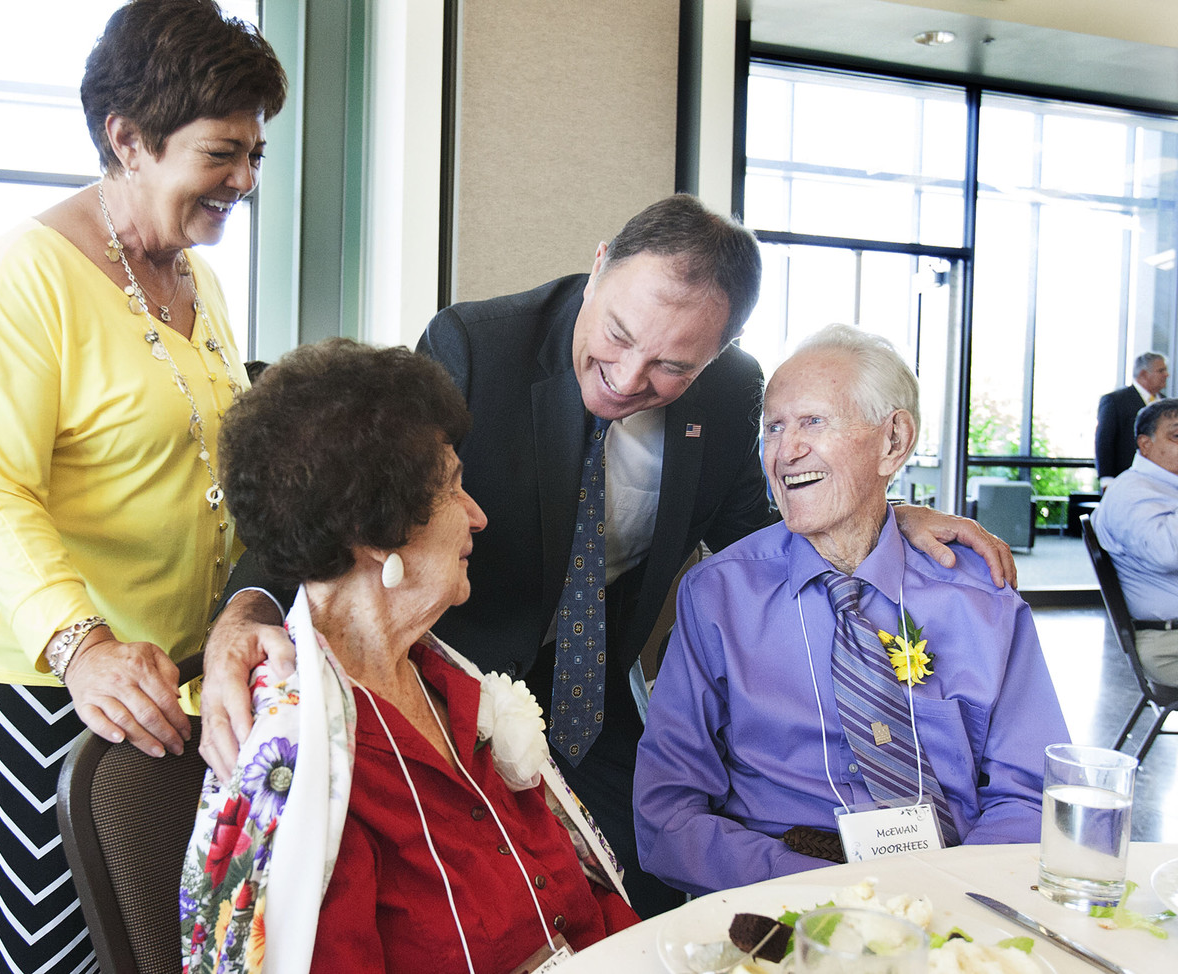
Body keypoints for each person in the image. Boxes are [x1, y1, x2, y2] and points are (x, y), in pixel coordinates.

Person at [201, 195, 1017, 917]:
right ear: (599, 270)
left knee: (652, 895)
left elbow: (763, 535)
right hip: (457, 675)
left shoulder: (733, 392)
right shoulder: (479, 345)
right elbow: (343, 485)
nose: (628, 377)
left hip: (595, 701)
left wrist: (879, 510)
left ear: (722, 350)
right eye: (619, 336)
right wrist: (247, 608)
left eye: (672, 365)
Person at [0, 3, 286, 971]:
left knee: (154, 938)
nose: (245, 182)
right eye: (223, 152)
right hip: (43, 678)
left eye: (256, 154)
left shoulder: (195, 280)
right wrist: (83, 646)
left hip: (171, 673)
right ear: (126, 138)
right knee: (49, 951)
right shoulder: (28, 273)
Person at [179, 340, 637, 974]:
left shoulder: (444, 679)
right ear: (375, 533)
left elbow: (587, 904)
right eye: (453, 490)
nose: (477, 516)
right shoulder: (303, 757)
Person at [632, 325, 1068, 894]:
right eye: (773, 428)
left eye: (812, 421)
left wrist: (951, 896)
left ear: (894, 441)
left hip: (957, 894)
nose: (786, 451)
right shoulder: (718, 598)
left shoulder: (981, 601)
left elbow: (1032, 793)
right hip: (785, 891)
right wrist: (824, 891)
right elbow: (668, 815)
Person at [1090, 397, 1178, 685]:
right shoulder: (1131, 492)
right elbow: (1167, 552)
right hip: (1168, 645)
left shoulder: (1164, 487)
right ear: (1145, 444)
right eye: (1177, 436)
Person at [1096, 352, 1169, 485]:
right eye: (1161, 370)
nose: (1167, 375)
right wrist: (1106, 479)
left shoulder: (1166, 403)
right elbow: (1104, 441)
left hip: (1162, 483)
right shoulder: (1115, 400)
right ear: (1143, 374)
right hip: (1125, 479)